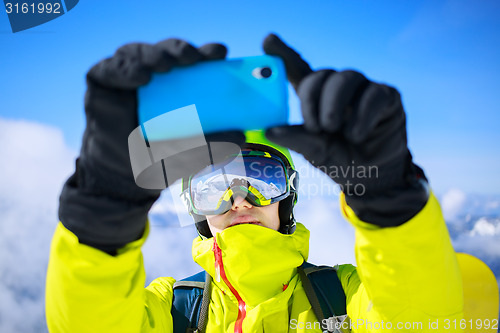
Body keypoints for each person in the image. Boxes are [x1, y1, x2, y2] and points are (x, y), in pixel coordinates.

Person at [45, 34, 464, 332]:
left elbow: (423, 320)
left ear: (288, 198)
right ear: (195, 211)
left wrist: (390, 200)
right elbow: (88, 324)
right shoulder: (171, 309)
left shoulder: (345, 297)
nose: (239, 200)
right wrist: (99, 219)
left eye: (262, 179)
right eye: (214, 188)